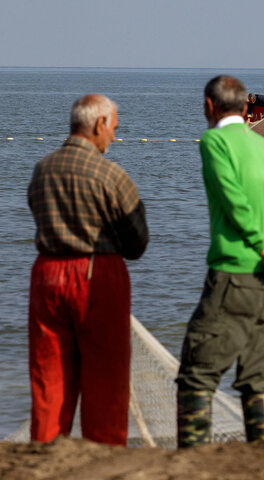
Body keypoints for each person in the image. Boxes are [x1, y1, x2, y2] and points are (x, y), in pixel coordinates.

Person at [175, 75, 264, 448]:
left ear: (209, 106)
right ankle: (260, 455)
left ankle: (191, 460)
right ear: (245, 107)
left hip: (234, 271)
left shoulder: (214, 141)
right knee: (257, 372)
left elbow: (232, 199)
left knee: (197, 372)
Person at [27, 94, 149, 446]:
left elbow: (35, 207)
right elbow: (137, 241)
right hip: (98, 274)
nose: (114, 136)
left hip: (47, 275)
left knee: (49, 375)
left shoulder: (43, 169)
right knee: (106, 378)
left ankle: (46, 448)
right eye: (114, 128)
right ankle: (105, 451)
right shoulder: (111, 175)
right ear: (99, 124)